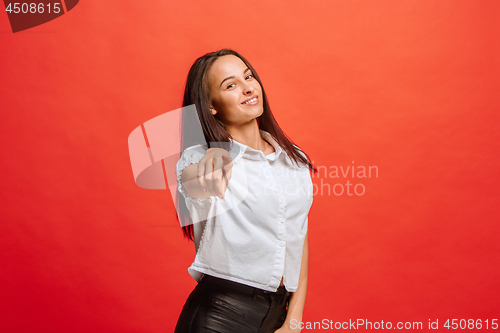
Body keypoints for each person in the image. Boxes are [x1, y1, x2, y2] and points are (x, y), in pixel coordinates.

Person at [174, 49, 316, 333]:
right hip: (219, 315)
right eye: (231, 85)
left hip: (278, 314)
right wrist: (211, 162)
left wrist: (293, 322)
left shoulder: (292, 159)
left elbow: (297, 236)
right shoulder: (200, 158)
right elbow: (193, 184)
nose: (248, 87)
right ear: (211, 106)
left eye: (248, 77)